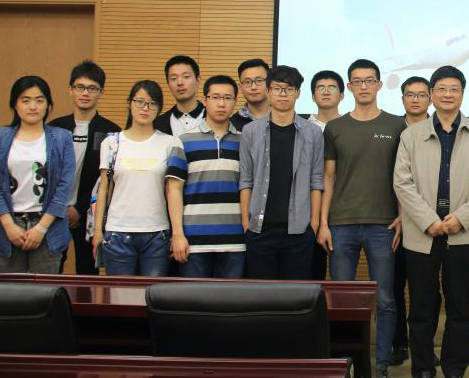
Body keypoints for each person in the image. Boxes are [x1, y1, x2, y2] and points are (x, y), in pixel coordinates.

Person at [394, 66, 469, 378]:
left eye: (454, 89)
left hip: (463, 233)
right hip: (421, 233)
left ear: (462, 94)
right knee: (421, 307)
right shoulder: (411, 135)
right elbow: (402, 182)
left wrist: (461, 218)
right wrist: (428, 220)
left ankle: (454, 371)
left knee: (459, 306)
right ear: (432, 94)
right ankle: (423, 370)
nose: (447, 94)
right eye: (441, 88)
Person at [319, 59, 406, 378]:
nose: (364, 86)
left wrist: (402, 215)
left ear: (380, 85)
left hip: (383, 226)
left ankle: (380, 368)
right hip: (341, 225)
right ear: (349, 87)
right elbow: (328, 177)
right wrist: (323, 222)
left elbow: (403, 176)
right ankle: (344, 367)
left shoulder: (396, 125)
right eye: (357, 81)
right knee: (342, 302)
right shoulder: (335, 127)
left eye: (370, 80)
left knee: (385, 300)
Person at [238, 65, 324, 279]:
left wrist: (313, 224)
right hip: (259, 229)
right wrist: (246, 222)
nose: (283, 94)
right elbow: (246, 179)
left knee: (296, 293)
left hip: (299, 229)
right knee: (262, 293)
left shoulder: (313, 132)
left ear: (298, 93)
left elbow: (316, 181)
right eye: (277, 88)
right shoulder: (251, 131)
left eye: (289, 89)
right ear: (268, 91)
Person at [0, 75, 75, 273]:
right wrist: (9, 226)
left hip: (48, 227)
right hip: (8, 226)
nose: (33, 106)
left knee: (44, 289)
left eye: (39, 100)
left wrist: (41, 228)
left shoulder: (62, 138)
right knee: (11, 290)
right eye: (25, 100)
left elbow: (64, 187)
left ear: (48, 105)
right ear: (14, 104)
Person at [92, 80, 178, 276]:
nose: (145, 108)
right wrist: (97, 231)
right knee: (119, 292)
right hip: (117, 232)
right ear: (129, 103)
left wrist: (177, 232)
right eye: (140, 101)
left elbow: (172, 190)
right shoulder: (111, 142)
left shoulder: (170, 143)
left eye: (152, 103)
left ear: (159, 108)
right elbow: (104, 188)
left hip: (157, 233)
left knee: (152, 291)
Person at [165, 75, 246, 278]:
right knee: (194, 297)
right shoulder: (183, 141)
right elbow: (173, 189)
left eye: (227, 98)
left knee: (230, 298)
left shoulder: (245, 142)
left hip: (235, 242)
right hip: (194, 243)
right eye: (215, 97)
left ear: (235, 102)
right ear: (205, 100)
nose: (221, 104)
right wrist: (177, 234)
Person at [48, 60, 120, 274]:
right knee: (51, 269)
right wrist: (61, 208)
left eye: (92, 88)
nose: (85, 93)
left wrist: (79, 209)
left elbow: (108, 180)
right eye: (80, 87)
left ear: (101, 92)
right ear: (70, 89)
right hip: (53, 212)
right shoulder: (54, 128)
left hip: (89, 214)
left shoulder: (111, 132)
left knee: (87, 272)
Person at [391, 74, 432, 366]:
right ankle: (398, 343)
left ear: (430, 98)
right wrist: (400, 214)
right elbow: (393, 178)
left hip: (431, 222)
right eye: (410, 94)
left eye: (421, 95)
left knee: (429, 290)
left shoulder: (441, 129)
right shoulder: (391, 129)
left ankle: (425, 347)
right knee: (395, 285)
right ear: (402, 98)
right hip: (394, 221)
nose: (415, 100)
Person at [305, 69, 345, 281]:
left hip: (342, 207)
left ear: (342, 95)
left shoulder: (351, 127)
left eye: (332, 87)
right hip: (307, 209)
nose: (326, 91)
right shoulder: (300, 128)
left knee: (342, 272)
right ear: (313, 96)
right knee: (312, 271)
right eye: (320, 88)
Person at [156, 55, 204, 136]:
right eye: (174, 78)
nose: (179, 83)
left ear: (198, 80)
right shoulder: (158, 124)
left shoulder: (213, 117)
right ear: (168, 83)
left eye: (186, 76)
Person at [230, 58, 270, 130]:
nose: (253, 87)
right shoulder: (231, 125)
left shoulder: (285, 118)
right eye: (247, 82)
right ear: (241, 87)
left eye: (259, 80)